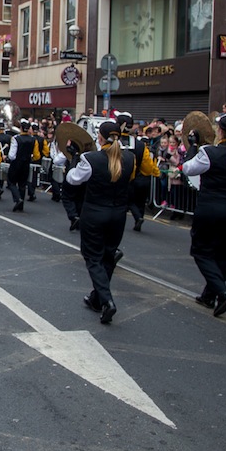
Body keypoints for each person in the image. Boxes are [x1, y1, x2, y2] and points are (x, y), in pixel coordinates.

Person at [66, 121, 135, 324]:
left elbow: (73, 179)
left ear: (101, 138)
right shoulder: (130, 158)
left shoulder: (91, 159)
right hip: (118, 214)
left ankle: (107, 301)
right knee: (108, 256)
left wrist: (74, 158)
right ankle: (97, 299)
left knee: (93, 257)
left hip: (95, 213)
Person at [182, 113, 226, 317]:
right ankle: (209, 295)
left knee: (201, 252)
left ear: (220, 131)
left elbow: (188, 168)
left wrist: (193, 146)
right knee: (225, 253)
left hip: (212, 208)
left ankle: (221, 292)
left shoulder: (209, 153)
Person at [7, 119, 40, 211]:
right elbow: (37, 155)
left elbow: (12, 155)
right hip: (26, 164)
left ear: (21, 128)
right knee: (22, 184)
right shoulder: (33, 140)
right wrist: (30, 158)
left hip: (16, 164)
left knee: (11, 182)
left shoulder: (16, 138)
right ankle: (21, 206)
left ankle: (18, 199)